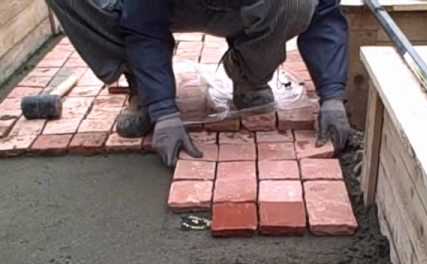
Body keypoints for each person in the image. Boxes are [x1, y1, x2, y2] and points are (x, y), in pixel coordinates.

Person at [46, 0, 353, 167]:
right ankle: (140, 81)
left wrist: (332, 95)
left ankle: (249, 73)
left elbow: (325, 12)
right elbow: (143, 23)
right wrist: (164, 110)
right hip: (171, 5)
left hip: (248, 8)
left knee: (298, 3)